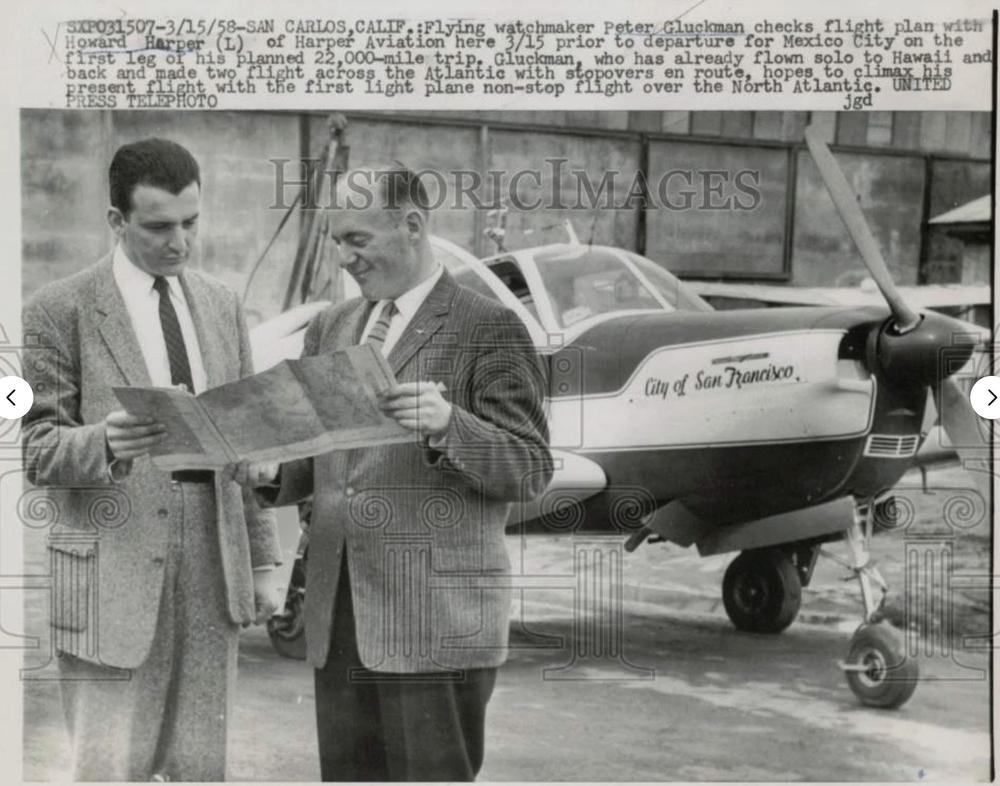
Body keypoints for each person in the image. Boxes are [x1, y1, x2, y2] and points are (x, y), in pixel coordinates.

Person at [232, 164, 553, 781]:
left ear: (411, 225)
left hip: (436, 622)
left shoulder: (488, 327)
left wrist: (448, 424)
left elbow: (531, 468)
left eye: (357, 239)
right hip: (340, 617)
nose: (344, 256)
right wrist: (273, 472)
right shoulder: (333, 326)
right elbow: (324, 451)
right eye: (336, 240)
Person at [21, 137, 283, 782]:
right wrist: (102, 442)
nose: (180, 242)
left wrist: (263, 561)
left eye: (191, 222)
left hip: (212, 565)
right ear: (117, 221)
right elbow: (32, 446)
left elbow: (243, 440)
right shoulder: (57, 310)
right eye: (159, 226)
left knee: (200, 767)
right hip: (110, 569)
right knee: (109, 768)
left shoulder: (222, 306)